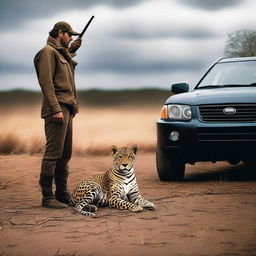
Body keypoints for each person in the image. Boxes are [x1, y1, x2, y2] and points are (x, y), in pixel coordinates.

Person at [34, 21, 82, 208]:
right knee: (53, 154)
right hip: (57, 108)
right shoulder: (47, 52)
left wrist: (71, 50)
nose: (71, 38)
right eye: (69, 35)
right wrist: (55, 108)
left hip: (67, 108)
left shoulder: (60, 54)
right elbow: (46, 83)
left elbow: (66, 67)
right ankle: (48, 197)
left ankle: (62, 194)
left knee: (65, 154)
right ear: (60, 33)